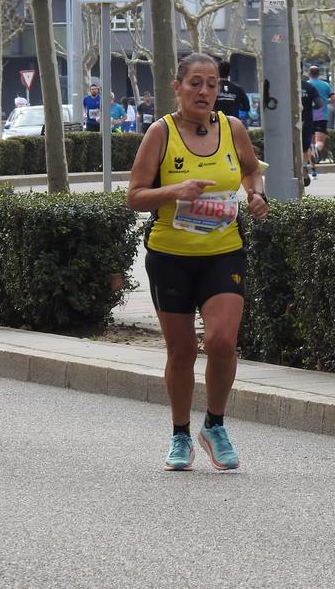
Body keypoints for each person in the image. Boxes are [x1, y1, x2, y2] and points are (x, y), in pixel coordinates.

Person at [126, 53, 268, 471]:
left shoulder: (232, 128)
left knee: (223, 342)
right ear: (178, 87)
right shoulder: (160, 133)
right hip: (171, 256)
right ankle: (180, 434)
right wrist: (174, 192)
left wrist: (257, 195)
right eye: (196, 83)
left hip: (223, 252)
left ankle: (215, 425)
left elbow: (250, 171)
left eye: (212, 84)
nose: (205, 92)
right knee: (182, 350)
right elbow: (134, 195)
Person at [306, 66, 335, 166]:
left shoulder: (306, 85)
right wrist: (325, 101)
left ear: (309, 74)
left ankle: (312, 167)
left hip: (308, 116)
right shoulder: (326, 85)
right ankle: (316, 149)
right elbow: (334, 99)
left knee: (309, 143)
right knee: (319, 142)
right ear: (318, 74)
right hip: (322, 116)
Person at [300, 78, 319, 186]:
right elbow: (319, 104)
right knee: (305, 147)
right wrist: (309, 106)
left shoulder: (284, 85)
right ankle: (303, 166)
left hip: (288, 121)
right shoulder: (309, 87)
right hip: (306, 120)